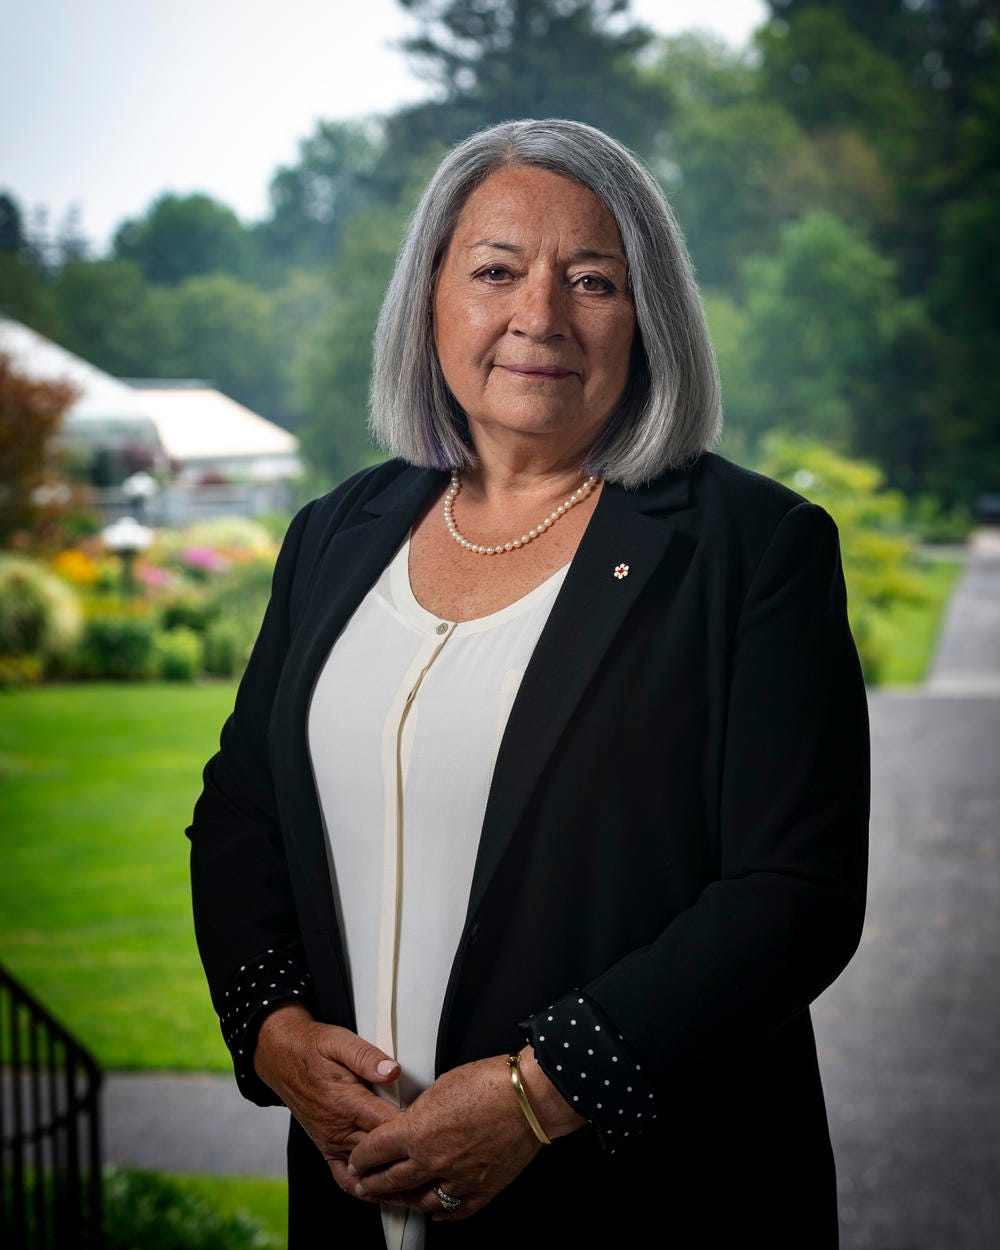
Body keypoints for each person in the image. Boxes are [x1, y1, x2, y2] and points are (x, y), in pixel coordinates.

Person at [187, 118, 870, 1249]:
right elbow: (242, 806)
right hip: (354, 1195)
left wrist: (534, 1095)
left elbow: (793, 892)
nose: (539, 316)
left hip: (644, 1199)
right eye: (496, 270)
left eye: (591, 279)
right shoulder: (336, 534)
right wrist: (270, 1025)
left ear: (648, 315)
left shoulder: (753, 547)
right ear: (430, 300)